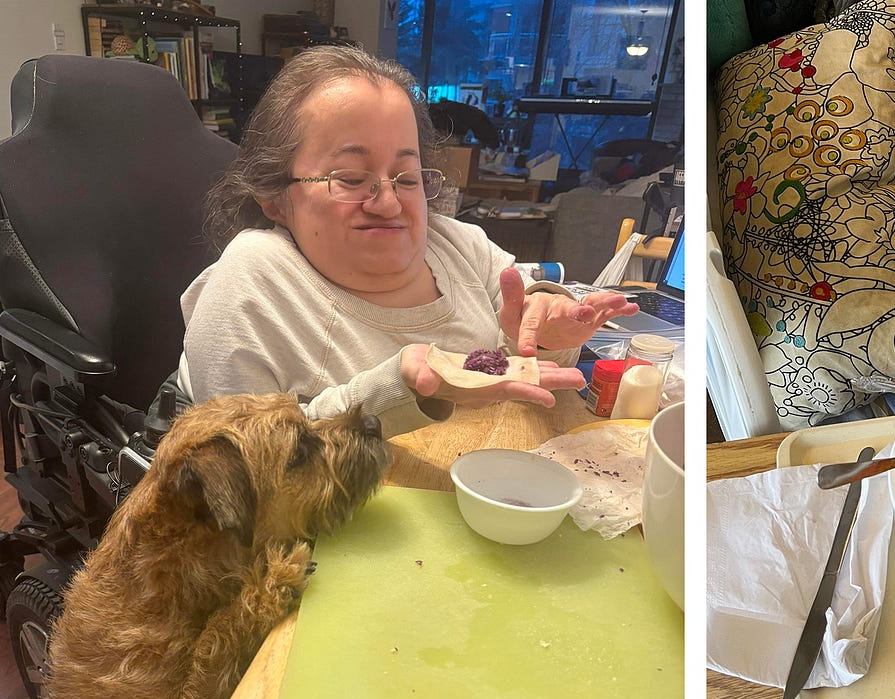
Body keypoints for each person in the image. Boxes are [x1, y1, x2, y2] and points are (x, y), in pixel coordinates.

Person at [177, 46, 637, 437]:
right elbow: (239, 468)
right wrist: (397, 389)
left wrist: (549, 334)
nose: (389, 203)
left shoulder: (459, 245)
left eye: (408, 176)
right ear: (275, 197)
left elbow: (531, 358)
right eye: (352, 178)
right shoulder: (251, 287)